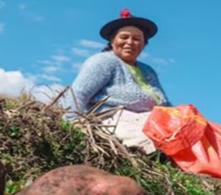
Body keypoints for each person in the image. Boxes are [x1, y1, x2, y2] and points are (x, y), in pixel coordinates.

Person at [70, 8, 170, 154]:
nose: (130, 42)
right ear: (112, 41)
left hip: (152, 120)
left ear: (143, 44)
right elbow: (78, 93)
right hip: (115, 119)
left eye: (137, 39)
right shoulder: (103, 62)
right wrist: (73, 123)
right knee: (156, 140)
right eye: (124, 37)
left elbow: (165, 104)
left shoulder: (148, 71)